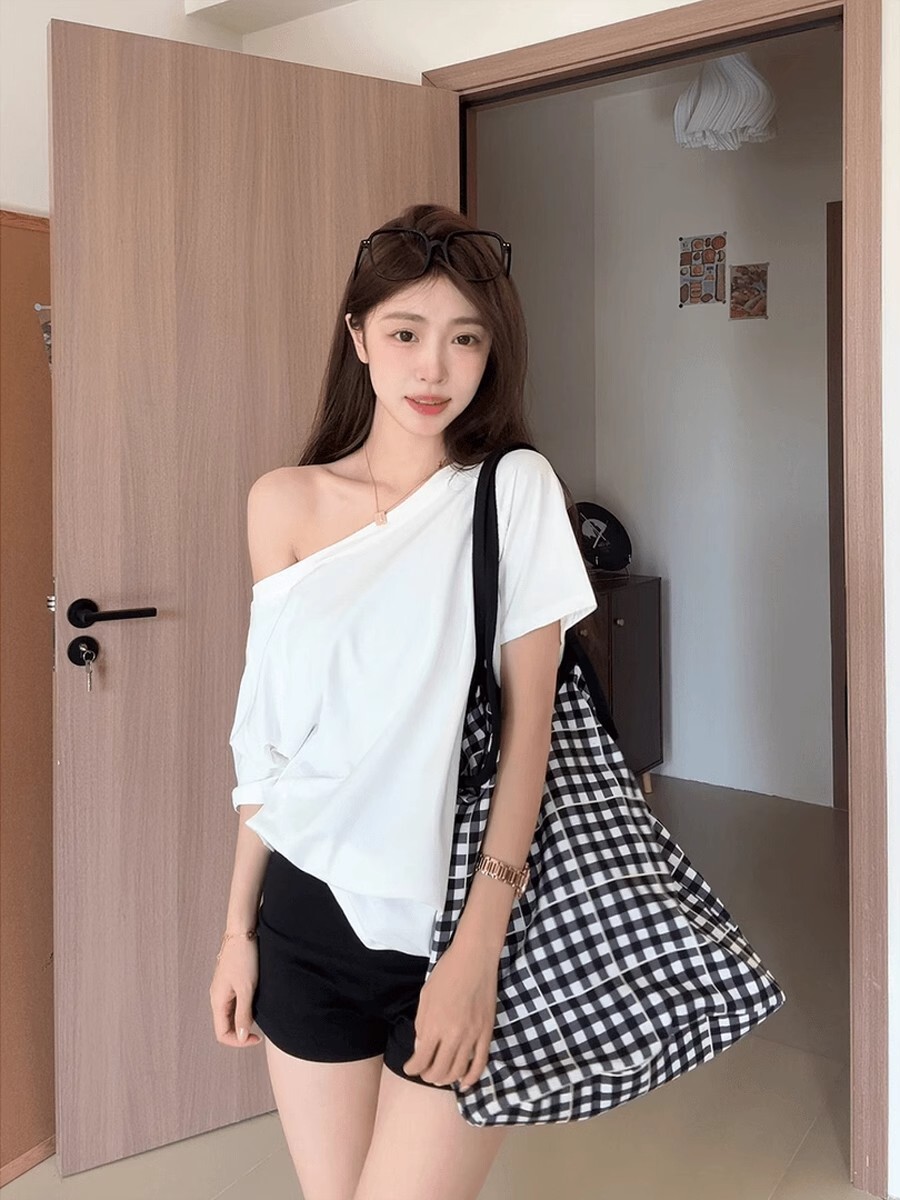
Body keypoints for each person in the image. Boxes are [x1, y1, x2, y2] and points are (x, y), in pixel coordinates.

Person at [208, 204, 598, 1200]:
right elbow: (271, 740)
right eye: (405, 333)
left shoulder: (512, 491)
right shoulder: (282, 502)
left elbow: (531, 734)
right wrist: (237, 929)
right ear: (358, 338)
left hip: (458, 919)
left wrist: (477, 953)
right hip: (306, 916)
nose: (434, 368)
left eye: (465, 338)